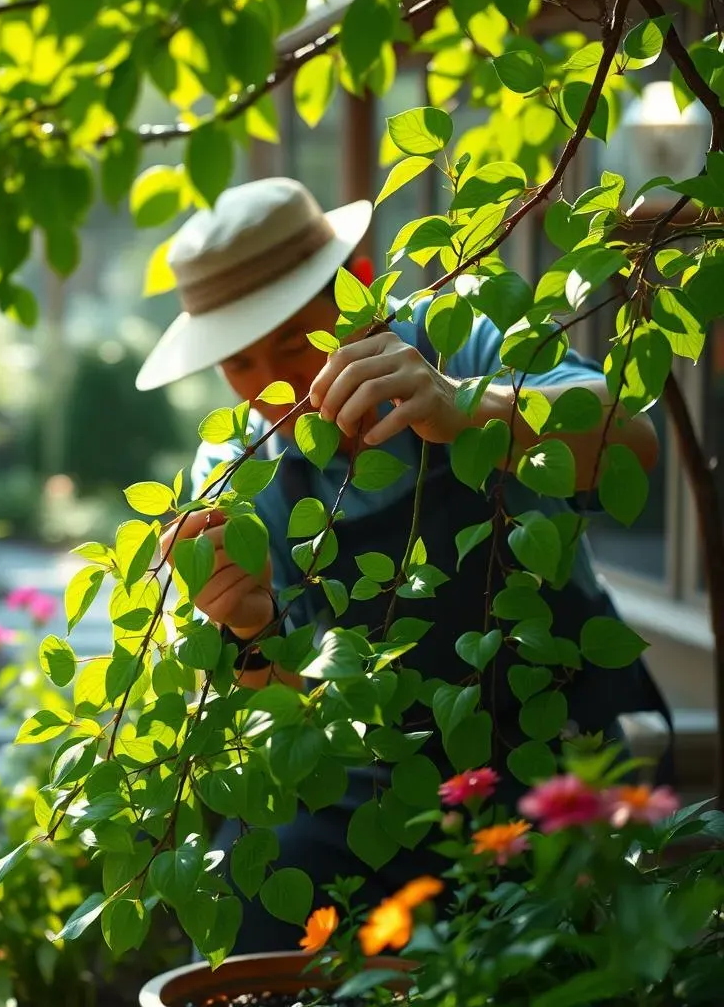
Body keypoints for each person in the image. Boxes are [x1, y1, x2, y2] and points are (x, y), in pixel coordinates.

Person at [134, 176, 672, 953]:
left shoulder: (461, 335)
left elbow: (633, 446)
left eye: (293, 341)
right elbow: (290, 716)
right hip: (363, 793)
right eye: (238, 363)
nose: (273, 385)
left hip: (555, 752)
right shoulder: (235, 474)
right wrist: (252, 629)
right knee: (247, 894)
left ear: (355, 285)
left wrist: (467, 409)